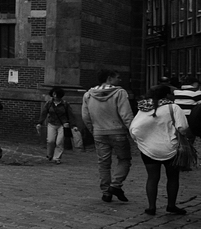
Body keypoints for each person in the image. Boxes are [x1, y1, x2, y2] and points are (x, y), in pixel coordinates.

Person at [130, 83, 189, 216]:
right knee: (173, 177)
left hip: (148, 149)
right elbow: (183, 128)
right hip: (171, 148)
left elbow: (134, 128)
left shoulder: (144, 108)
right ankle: (171, 205)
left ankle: (151, 207)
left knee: (152, 178)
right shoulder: (173, 107)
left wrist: (142, 141)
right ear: (167, 95)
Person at [81, 70, 135, 203]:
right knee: (124, 159)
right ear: (110, 78)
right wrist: (134, 131)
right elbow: (126, 114)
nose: (120, 80)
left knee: (104, 163)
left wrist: (93, 130)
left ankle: (106, 192)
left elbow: (85, 116)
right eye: (118, 77)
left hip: (99, 132)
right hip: (118, 132)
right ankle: (115, 185)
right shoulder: (119, 93)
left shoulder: (88, 94)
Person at [38, 86, 72, 164]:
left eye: (56, 94)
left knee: (59, 142)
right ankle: (49, 154)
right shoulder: (49, 103)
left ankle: (57, 158)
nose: (54, 95)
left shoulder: (65, 104)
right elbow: (44, 113)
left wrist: (72, 124)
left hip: (62, 125)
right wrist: (40, 122)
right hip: (51, 123)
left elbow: (70, 115)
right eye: (53, 94)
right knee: (50, 140)